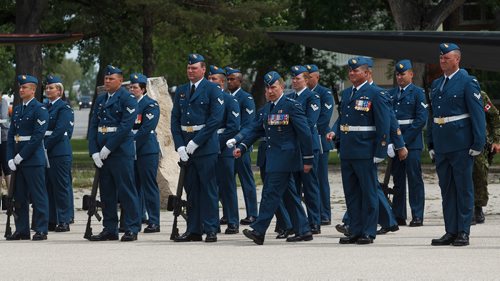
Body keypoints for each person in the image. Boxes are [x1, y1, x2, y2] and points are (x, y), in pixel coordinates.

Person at [233, 71, 313, 245]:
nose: (270, 91)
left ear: (282, 87)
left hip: (286, 158)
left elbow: (305, 133)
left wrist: (308, 158)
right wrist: (242, 145)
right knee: (290, 195)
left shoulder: (291, 105)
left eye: (273, 87)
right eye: (267, 88)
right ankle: (304, 230)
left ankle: (259, 230)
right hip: (273, 157)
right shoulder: (267, 108)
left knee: (270, 193)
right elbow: (255, 129)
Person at [427, 43, 486, 246]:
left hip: (461, 144)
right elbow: (433, 116)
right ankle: (450, 230)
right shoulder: (436, 84)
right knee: (447, 190)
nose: (442, 61)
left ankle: (463, 231)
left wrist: (479, 142)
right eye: (441, 58)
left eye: (447, 58)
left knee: (463, 189)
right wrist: (431, 143)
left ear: (457, 59)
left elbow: (478, 115)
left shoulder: (467, 82)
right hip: (442, 145)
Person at [331, 57, 390, 244]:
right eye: (350, 70)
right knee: (351, 193)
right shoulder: (347, 93)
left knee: (369, 192)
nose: (351, 73)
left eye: (355, 70)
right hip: (348, 150)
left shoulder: (376, 93)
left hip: (365, 150)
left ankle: (368, 231)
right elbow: (344, 121)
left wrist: (380, 151)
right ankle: (355, 230)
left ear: (367, 73)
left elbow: (383, 124)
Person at [170, 54, 224, 243]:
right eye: (188, 68)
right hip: (186, 147)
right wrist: (180, 146)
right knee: (191, 190)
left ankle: (210, 228)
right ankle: (193, 229)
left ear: (203, 70)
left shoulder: (213, 89)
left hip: (205, 147)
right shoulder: (182, 91)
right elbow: (175, 119)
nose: (190, 71)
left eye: (194, 68)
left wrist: (196, 142)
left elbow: (215, 119)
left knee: (208, 189)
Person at [88, 65, 141, 242]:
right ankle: (109, 228)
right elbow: (93, 125)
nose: (107, 81)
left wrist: (108, 147)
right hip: (102, 152)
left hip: (119, 151)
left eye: (111, 79)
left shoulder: (128, 98)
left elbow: (126, 126)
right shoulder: (101, 99)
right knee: (107, 192)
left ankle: (131, 227)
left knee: (126, 190)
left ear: (120, 81)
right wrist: (94, 151)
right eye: (106, 78)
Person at [6, 74, 49, 241]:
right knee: (19, 196)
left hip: (32, 159)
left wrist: (21, 156)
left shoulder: (40, 109)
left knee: (38, 195)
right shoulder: (17, 109)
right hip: (17, 158)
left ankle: (41, 228)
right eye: (20, 87)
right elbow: (11, 136)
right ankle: (22, 229)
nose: (21, 89)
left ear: (33, 90)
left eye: (25, 87)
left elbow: (37, 137)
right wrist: (10, 157)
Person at [387, 60, 427, 227]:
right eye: (397, 74)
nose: (400, 77)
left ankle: (417, 215)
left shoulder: (418, 93)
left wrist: (402, 142)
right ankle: (399, 215)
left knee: (414, 179)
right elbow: (387, 120)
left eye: (403, 74)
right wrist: (392, 142)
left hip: (411, 142)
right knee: (398, 180)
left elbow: (420, 120)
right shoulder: (390, 94)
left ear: (411, 74)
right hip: (395, 143)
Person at [288, 65, 322, 234]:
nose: (294, 81)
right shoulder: (289, 98)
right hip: (293, 147)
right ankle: (298, 222)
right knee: (294, 187)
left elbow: (309, 122)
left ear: (307, 80)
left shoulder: (312, 97)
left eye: (298, 78)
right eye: (293, 78)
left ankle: (315, 221)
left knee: (310, 186)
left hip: (307, 146)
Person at [208, 65, 241, 234]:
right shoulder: (206, 99)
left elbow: (233, 127)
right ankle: (213, 222)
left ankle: (232, 221)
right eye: (209, 79)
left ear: (222, 82)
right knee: (211, 187)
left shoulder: (230, 101)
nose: (211, 81)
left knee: (227, 187)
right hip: (208, 148)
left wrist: (216, 143)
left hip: (224, 147)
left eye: (214, 79)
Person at [129, 73, 161, 233]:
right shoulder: (129, 104)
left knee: (149, 186)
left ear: (143, 89)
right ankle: (137, 217)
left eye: (135, 87)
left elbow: (146, 129)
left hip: (146, 150)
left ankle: (154, 221)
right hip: (130, 150)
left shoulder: (150, 104)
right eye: (131, 87)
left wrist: (129, 140)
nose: (132, 90)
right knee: (134, 185)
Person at [225, 66, 258, 225]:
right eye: (228, 79)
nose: (229, 82)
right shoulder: (224, 97)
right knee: (226, 182)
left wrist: (240, 141)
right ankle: (228, 214)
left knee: (246, 180)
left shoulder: (246, 98)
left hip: (241, 145)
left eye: (232, 79)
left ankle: (252, 213)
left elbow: (249, 125)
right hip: (226, 146)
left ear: (240, 81)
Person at [44, 75, 74, 232]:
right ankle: (51, 219)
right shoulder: (45, 107)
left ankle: (64, 219)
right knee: (48, 186)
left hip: (59, 152)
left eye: (51, 88)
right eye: (47, 88)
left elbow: (59, 131)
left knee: (61, 187)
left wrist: (43, 146)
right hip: (46, 151)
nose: (48, 90)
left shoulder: (63, 108)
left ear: (59, 91)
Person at [305, 64, 334, 226]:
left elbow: (324, 118)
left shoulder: (324, 93)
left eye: (310, 76)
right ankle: (313, 213)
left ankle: (324, 213)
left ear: (317, 77)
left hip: (320, 140)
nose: (307, 79)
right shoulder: (301, 94)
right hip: (306, 140)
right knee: (309, 180)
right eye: (306, 76)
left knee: (321, 179)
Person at [471, 90, 500, 224]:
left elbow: (494, 116)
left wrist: (496, 140)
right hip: (460, 141)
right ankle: (467, 208)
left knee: (480, 174)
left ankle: (478, 207)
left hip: (480, 141)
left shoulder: (480, 95)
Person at [0, 93, 11, 189]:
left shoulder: (2, 101)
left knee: (6, 166)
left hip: (3, 137)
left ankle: (10, 196)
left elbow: (3, 118)